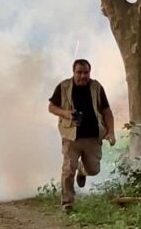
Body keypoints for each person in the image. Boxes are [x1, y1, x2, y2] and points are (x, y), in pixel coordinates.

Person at [48, 59, 116, 212]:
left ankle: (82, 169)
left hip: (93, 137)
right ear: (74, 72)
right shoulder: (64, 86)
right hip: (71, 136)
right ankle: (67, 203)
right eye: (79, 72)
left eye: (86, 72)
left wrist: (111, 131)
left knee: (93, 170)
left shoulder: (96, 87)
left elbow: (107, 111)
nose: (83, 76)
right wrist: (66, 113)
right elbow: (51, 107)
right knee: (68, 169)